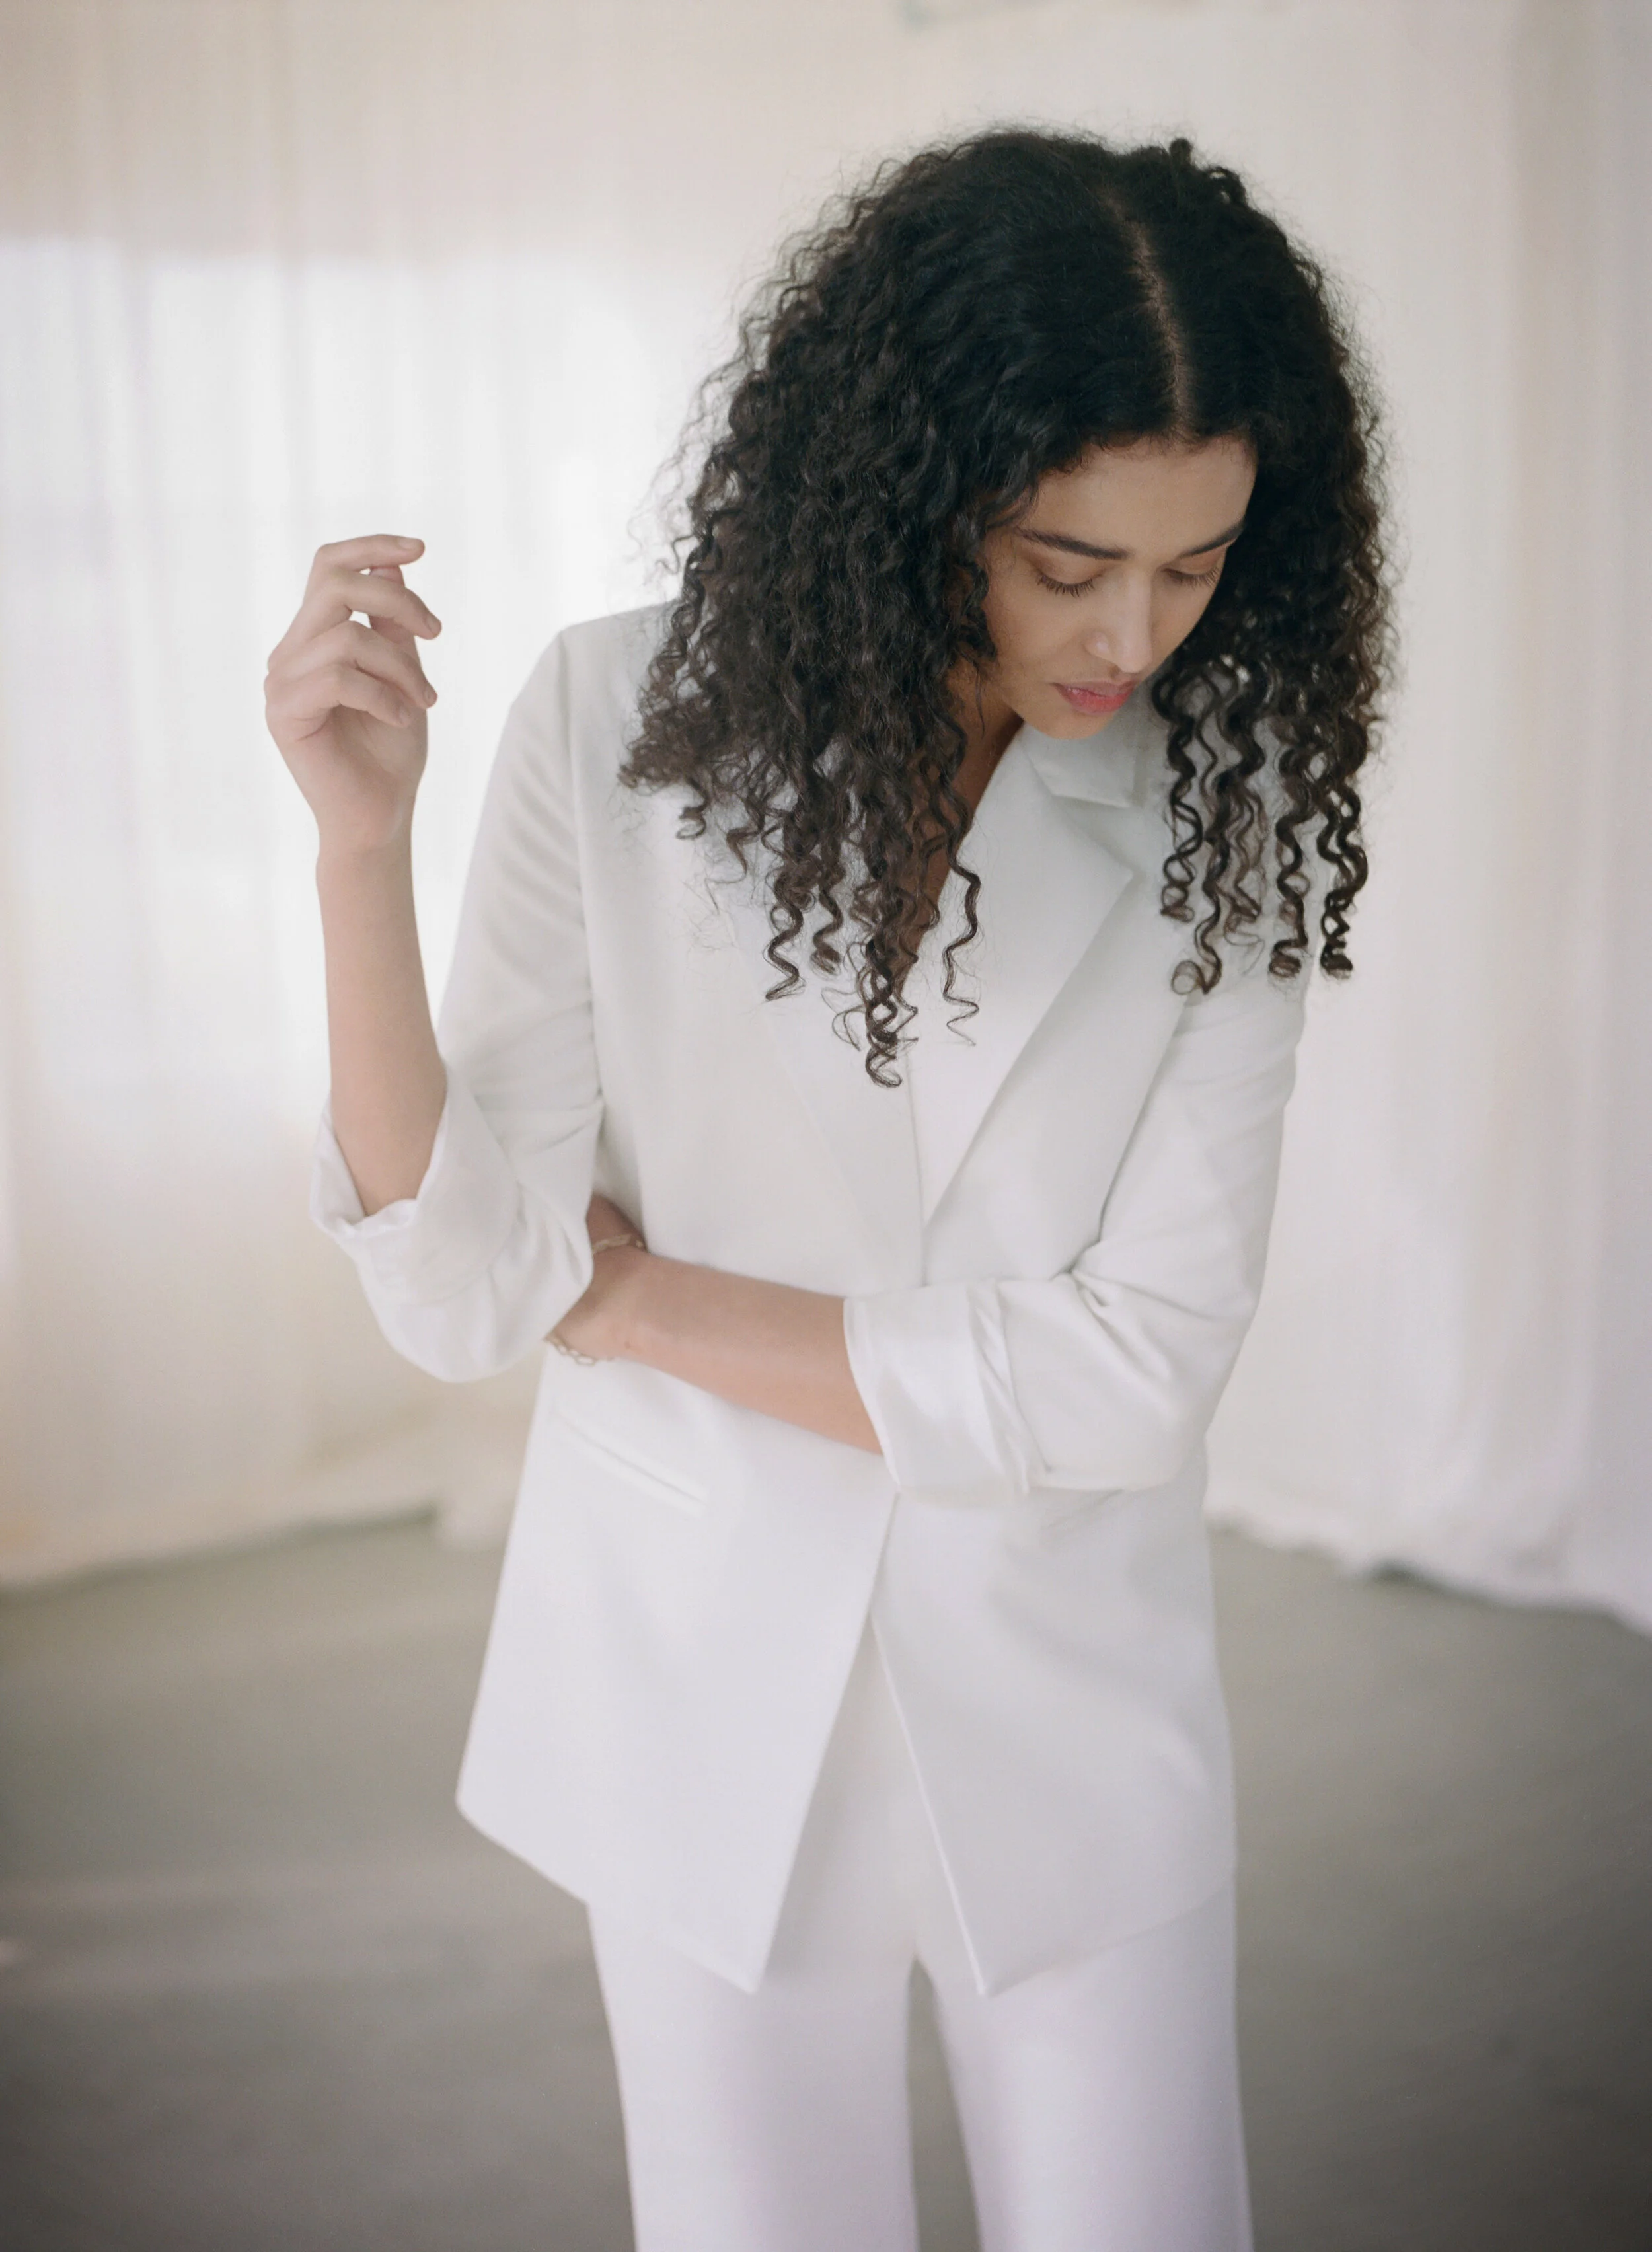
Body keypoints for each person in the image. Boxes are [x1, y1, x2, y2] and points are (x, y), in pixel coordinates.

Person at [265, 128, 1388, 2252]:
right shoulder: (614, 717)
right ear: (911, 489)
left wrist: (636, 1302)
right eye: (1066, 561)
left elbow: (1136, 1375)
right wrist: (357, 850)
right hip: (686, 1688)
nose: (1130, 636)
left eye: (1195, 567)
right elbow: (463, 1290)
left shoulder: (1223, 805)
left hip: (1067, 1702)